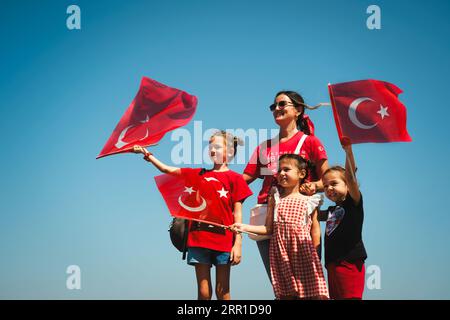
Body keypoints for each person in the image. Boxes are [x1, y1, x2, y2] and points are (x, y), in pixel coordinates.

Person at [133, 130, 252, 300]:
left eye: (217, 146)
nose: (212, 150)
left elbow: (238, 213)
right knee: (203, 293)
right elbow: (167, 169)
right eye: (210, 146)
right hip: (198, 238)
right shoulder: (197, 174)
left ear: (230, 152)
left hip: (224, 240)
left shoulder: (235, 178)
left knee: (222, 291)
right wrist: (147, 153)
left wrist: (238, 243)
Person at [243, 91, 329, 279]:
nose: (277, 109)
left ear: (298, 110)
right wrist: (215, 181)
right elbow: (244, 179)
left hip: (299, 218)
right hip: (268, 216)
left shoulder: (311, 142)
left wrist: (314, 186)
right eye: (274, 106)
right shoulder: (264, 147)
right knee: (280, 283)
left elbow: (327, 180)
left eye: (282, 104)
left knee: (307, 281)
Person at [232, 154, 329, 299]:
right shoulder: (275, 199)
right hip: (280, 254)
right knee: (285, 293)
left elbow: (315, 229)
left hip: (303, 251)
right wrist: (243, 227)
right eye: (279, 170)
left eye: (286, 169)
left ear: (301, 173)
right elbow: (268, 228)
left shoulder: (310, 200)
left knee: (311, 293)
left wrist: (316, 253)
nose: (281, 173)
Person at [320, 137, 367, 299]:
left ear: (346, 184)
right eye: (325, 186)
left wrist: (348, 152)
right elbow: (314, 214)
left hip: (349, 261)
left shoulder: (353, 202)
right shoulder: (332, 210)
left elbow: (352, 178)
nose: (329, 188)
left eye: (334, 183)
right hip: (332, 263)